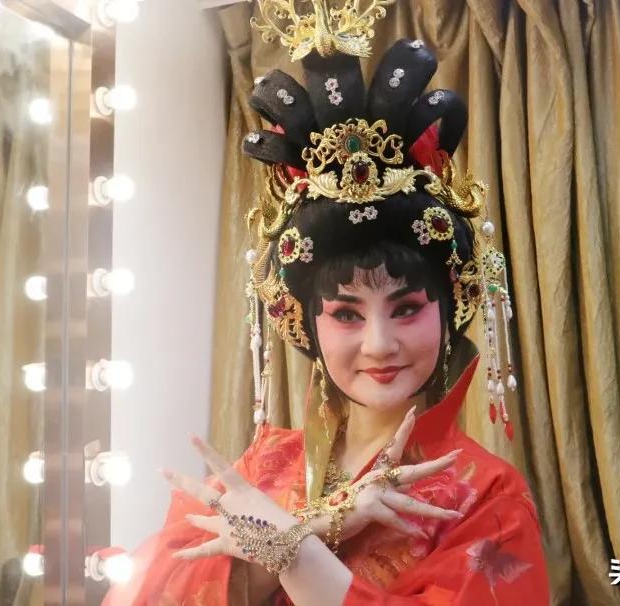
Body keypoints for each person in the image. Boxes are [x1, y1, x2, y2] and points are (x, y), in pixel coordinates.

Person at [104, 6, 550, 605]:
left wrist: (296, 551)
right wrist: (319, 525)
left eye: (406, 308)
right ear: (307, 327)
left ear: (451, 314)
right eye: (345, 314)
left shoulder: (487, 497)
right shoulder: (266, 466)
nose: (379, 344)